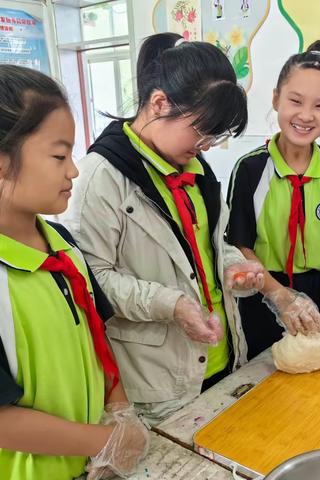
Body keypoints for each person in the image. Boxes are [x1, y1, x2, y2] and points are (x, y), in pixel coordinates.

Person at [63, 34, 263, 424]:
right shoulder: (100, 176)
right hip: (158, 381)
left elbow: (209, 246)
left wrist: (233, 266)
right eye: (201, 130)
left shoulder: (195, 168)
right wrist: (170, 304)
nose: (206, 145)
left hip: (223, 358)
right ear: (159, 102)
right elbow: (91, 280)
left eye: (215, 136)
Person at [0, 65, 148, 480]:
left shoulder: (63, 244)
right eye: (58, 155)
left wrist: (119, 412)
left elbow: (95, 338)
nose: (74, 171)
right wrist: (101, 442)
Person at [227, 40, 320, 361]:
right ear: (277, 99)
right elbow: (241, 245)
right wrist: (280, 297)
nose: (306, 116)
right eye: (296, 101)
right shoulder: (251, 169)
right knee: (266, 376)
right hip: (264, 294)